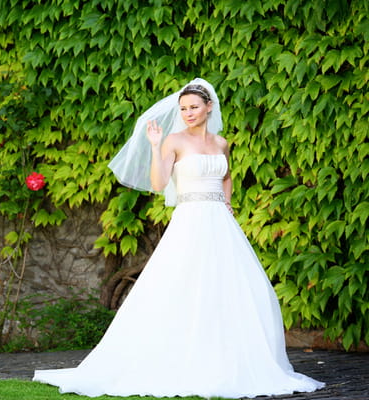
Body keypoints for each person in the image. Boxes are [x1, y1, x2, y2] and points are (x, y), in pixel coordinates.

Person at [33, 78, 325, 398]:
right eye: (183, 108)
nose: (187, 113)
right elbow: (159, 184)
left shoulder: (221, 143)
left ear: (208, 107)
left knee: (231, 286)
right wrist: (156, 146)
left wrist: (227, 202)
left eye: (194, 107)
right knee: (182, 284)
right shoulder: (173, 141)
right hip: (190, 219)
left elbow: (225, 176)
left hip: (220, 223)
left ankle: (229, 358)